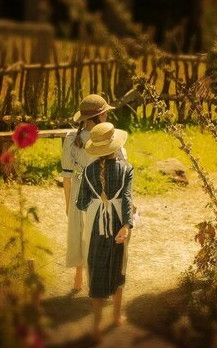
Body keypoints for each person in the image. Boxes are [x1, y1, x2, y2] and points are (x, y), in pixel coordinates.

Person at [61, 94, 126, 291]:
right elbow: (121, 169)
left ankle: (79, 275)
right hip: (103, 191)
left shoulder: (72, 138)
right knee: (101, 233)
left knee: (80, 231)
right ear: (99, 117)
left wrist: (67, 203)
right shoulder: (111, 137)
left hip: (79, 191)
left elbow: (66, 174)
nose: (107, 116)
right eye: (105, 113)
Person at [76, 122, 134, 342]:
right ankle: (117, 317)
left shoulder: (88, 171)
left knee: (97, 271)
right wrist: (127, 225)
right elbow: (127, 199)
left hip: (96, 227)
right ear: (114, 146)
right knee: (119, 269)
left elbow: (82, 204)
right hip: (119, 225)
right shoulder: (126, 169)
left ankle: (96, 327)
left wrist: (97, 200)